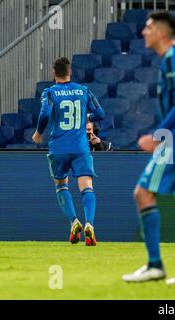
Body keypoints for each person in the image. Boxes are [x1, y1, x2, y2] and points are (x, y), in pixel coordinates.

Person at [122, 12, 175, 285]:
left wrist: (158, 136)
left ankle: (155, 264)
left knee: (142, 193)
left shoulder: (172, 58)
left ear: (161, 32)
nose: (144, 32)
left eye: (148, 28)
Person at [32, 57, 105, 246]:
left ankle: (74, 221)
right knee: (87, 186)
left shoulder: (49, 92)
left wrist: (39, 133)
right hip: (80, 148)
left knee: (61, 185)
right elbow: (101, 114)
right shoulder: (83, 91)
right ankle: (90, 223)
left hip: (59, 148)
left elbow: (45, 113)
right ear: (70, 72)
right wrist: (85, 116)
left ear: (53, 73)